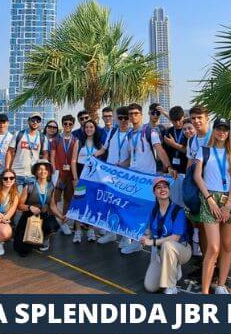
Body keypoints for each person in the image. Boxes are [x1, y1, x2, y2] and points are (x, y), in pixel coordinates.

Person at [194, 118, 231, 294]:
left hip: (229, 201)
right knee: (213, 247)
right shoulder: (204, 151)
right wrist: (209, 199)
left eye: (225, 129)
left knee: (226, 246)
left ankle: (221, 284)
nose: (222, 132)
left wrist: (228, 205)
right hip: (210, 199)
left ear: (228, 132)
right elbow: (197, 176)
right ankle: (205, 290)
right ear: (214, 130)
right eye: (218, 129)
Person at [121, 103, 177, 255]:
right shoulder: (129, 135)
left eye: (136, 113)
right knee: (134, 211)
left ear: (141, 114)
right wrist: (117, 166)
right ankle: (137, 242)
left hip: (147, 179)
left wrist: (169, 166)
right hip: (134, 179)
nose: (133, 116)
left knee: (151, 213)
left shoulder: (149, 131)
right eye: (130, 114)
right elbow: (129, 159)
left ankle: (157, 246)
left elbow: (159, 149)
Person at [141, 177, 192, 294]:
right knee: (150, 287)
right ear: (154, 192)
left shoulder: (178, 211)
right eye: (158, 187)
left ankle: (171, 286)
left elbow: (175, 238)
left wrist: (152, 242)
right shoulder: (154, 211)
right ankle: (170, 269)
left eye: (165, 187)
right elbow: (150, 231)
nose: (162, 189)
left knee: (168, 245)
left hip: (182, 250)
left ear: (169, 190)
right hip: (160, 253)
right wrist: (144, 236)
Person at [97, 106, 132, 245]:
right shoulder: (112, 131)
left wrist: (123, 164)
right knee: (110, 204)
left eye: (126, 118)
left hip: (125, 175)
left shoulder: (132, 134)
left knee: (124, 205)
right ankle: (111, 233)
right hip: (109, 174)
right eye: (121, 117)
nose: (123, 120)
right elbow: (103, 149)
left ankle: (125, 236)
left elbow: (133, 156)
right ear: (116, 118)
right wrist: (91, 156)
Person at [14, 159, 64, 255]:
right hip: (29, 217)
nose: (43, 171)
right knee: (22, 251)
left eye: (45, 169)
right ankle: (32, 237)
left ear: (49, 172)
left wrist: (61, 217)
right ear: (36, 172)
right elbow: (20, 205)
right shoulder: (29, 187)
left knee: (52, 225)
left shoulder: (51, 187)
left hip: (43, 216)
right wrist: (29, 207)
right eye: (40, 169)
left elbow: (52, 206)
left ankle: (44, 238)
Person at [185, 105, 212, 266]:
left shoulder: (215, 137)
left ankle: (216, 267)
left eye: (199, 118)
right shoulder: (192, 140)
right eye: (193, 118)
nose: (196, 121)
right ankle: (206, 264)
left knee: (214, 230)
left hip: (212, 188)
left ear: (206, 119)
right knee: (201, 226)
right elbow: (189, 163)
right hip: (196, 188)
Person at [74, 120, 104, 242]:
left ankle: (91, 230)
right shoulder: (79, 142)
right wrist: (75, 178)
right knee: (78, 205)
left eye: (91, 127)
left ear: (95, 129)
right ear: (83, 129)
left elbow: (103, 159)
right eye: (87, 127)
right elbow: (73, 161)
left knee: (91, 205)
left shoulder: (99, 144)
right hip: (81, 178)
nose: (89, 129)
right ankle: (77, 232)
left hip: (94, 180)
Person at [50, 114, 79, 237]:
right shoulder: (56, 139)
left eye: (70, 124)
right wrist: (53, 172)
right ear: (62, 124)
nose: (67, 126)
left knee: (67, 200)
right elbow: (52, 157)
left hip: (69, 176)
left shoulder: (76, 140)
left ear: (73, 125)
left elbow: (74, 160)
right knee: (54, 199)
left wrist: (75, 177)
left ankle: (63, 222)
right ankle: (51, 222)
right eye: (65, 123)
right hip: (58, 174)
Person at [7, 113, 49, 186]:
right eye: (33, 120)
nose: (35, 122)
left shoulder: (43, 138)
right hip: (16, 173)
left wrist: (41, 169)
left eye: (38, 120)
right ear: (28, 121)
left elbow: (45, 154)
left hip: (32, 175)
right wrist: (7, 169)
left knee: (30, 197)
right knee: (14, 197)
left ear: (40, 123)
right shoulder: (18, 134)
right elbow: (10, 152)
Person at [162, 106, 188, 207]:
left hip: (185, 171)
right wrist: (168, 168)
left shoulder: (188, 130)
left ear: (183, 117)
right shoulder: (168, 132)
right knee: (172, 202)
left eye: (179, 120)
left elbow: (190, 152)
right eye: (174, 121)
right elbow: (164, 152)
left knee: (185, 202)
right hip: (172, 172)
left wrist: (174, 144)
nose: (177, 123)